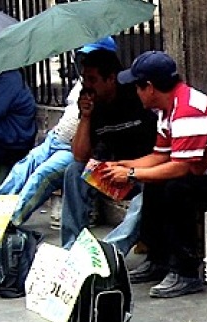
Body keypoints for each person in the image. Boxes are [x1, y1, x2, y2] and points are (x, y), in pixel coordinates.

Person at [100, 51, 207, 299]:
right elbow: (160, 157)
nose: (135, 92)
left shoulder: (188, 110)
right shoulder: (167, 110)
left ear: (149, 87)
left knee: (177, 189)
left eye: (137, 86)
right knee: (156, 183)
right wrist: (123, 166)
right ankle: (158, 259)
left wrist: (133, 174)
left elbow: (180, 167)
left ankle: (185, 272)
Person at [0, 39, 122, 227]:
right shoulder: (83, 81)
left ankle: (7, 221)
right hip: (55, 139)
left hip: (72, 148)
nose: (85, 60)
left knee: (42, 175)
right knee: (23, 168)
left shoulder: (105, 87)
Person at [59, 43, 157, 252]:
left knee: (149, 194)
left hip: (145, 171)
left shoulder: (136, 95)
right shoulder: (93, 105)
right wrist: (85, 117)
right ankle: (71, 246)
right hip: (114, 173)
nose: (87, 85)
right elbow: (79, 157)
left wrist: (133, 171)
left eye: (92, 79)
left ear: (110, 78)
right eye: (84, 78)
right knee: (73, 172)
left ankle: (110, 252)